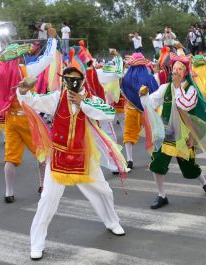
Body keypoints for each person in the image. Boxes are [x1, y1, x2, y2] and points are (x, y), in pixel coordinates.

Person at [17, 63, 126, 261]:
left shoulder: (92, 99)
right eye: (67, 79)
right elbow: (33, 101)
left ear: (83, 80)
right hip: (58, 157)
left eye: (75, 79)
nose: (71, 83)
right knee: (48, 198)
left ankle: (112, 221)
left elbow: (108, 113)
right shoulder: (56, 97)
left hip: (83, 156)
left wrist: (83, 102)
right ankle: (37, 243)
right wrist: (23, 90)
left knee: (103, 190)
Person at [0, 28, 58, 203]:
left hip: (10, 119)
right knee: (42, 150)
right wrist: (52, 39)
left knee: (10, 157)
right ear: (19, 57)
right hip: (27, 118)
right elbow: (48, 58)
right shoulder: (25, 71)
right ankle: (43, 185)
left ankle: (8, 192)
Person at [140, 55, 206, 209]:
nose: (175, 71)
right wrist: (144, 96)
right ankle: (162, 195)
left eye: (179, 69)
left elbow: (186, 105)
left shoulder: (191, 90)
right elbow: (150, 104)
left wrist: (178, 87)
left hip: (184, 135)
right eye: (174, 69)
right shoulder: (165, 88)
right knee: (157, 164)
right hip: (165, 133)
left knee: (190, 167)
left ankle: (205, 184)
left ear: (185, 72)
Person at [121, 53, 159, 170]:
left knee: (129, 133)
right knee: (151, 133)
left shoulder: (126, 77)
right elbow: (155, 91)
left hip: (132, 109)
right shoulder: (149, 76)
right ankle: (154, 157)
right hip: (147, 110)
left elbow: (122, 91)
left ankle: (129, 159)